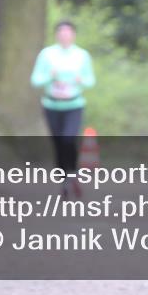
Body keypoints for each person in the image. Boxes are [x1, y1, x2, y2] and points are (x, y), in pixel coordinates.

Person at [30, 20, 96, 198]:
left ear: (73, 35)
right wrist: (49, 77)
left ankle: (72, 172)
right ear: (56, 35)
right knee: (58, 142)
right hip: (51, 105)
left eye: (68, 32)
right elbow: (35, 80)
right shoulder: (47, 54)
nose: (64, 35)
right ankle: (64, 178)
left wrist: (80, 80)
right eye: (61, 32)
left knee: (69, 139)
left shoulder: (82, 55)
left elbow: (90, 81)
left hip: (74, 105)